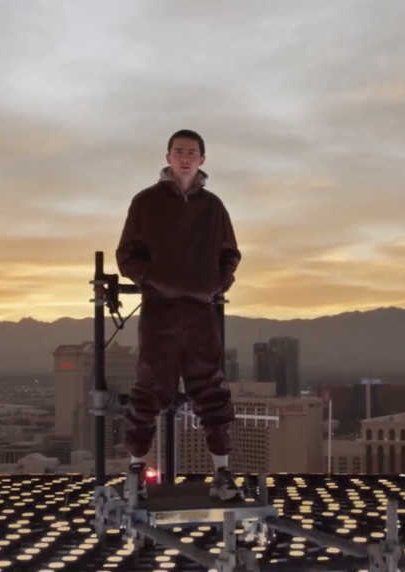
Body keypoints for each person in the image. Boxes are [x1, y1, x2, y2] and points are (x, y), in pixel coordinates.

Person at [115, 129, 244, 502]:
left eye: (192, 152)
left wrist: (217, 284)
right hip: (161, 311)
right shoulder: (146, 202)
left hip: (201, 311)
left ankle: (222, 474)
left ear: (203, 159)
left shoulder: (213, 206)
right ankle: (136, 470)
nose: (185, 158)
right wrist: (153, 282)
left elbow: (230, 253)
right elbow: (128, 254)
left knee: (212, 389)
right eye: (178, 151)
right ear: (168, 157)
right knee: (150, 388)